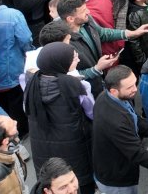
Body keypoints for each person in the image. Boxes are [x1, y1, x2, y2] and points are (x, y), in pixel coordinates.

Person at [24, 42, 96, 193]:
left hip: (42, 148)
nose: (77, 60)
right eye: (73, 58)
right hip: (74, 147)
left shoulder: (29, 82)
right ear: (61, 63)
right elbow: (92, 113)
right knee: (75, 184)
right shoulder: (78, 86)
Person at [92, 65, 148, 194]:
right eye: (129, 87)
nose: (135, 90)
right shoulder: (115, 121)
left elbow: (133, 117)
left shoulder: (111, 96)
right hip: (117, 180)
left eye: (135, 83)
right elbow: (136, 153)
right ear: (114, 91)